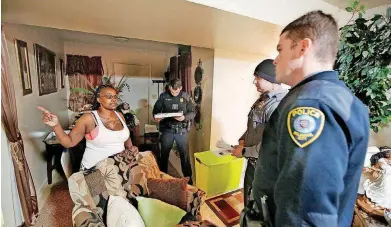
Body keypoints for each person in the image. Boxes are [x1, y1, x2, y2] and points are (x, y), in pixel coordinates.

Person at [251, 11, 370, 226]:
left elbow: (306, 211)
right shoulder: (342, 98)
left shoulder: (311, 105)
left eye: (280, 50)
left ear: (303, 48)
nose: (276, 60)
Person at [38, 84, 137, 170]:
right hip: (94, 170)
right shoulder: (89, 118)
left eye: (115, 96)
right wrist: (56, 125)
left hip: (118, 166)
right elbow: (69, 142)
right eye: (109, 96)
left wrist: (130, 147)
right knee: (105, 191)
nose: (114, 100)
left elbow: (125, 136)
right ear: (99, 99)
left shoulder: (120, 115)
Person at [231, 59, 287, 205]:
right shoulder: (263, 99)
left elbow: (272, 144)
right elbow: (254, 126)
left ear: (271, 79)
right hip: (253, 163)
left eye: (258, 78)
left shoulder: (277, 105)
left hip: (264, 167)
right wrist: (243, 139)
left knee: (258, 208)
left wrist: (243, 151)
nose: (255, 82)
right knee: (248, 202)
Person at [153, 78, 195, 183]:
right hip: (167, 130)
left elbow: (193, 112)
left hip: (182, 130)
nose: (174, 93)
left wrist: (184, 117)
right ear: (169, 87)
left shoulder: (185, 96)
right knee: (164, 155)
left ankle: (188, 181)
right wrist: (157, 117)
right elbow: (156, 111)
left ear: (180, 88)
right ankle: (163, 180)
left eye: (176, 91)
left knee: (184, 157)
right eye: (172, 91)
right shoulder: (163, 96)